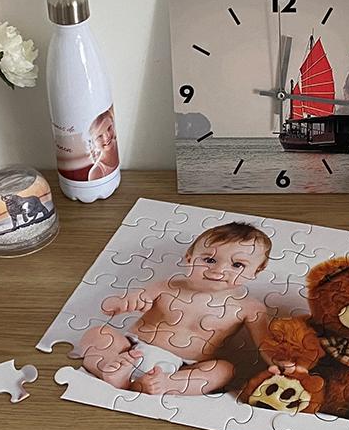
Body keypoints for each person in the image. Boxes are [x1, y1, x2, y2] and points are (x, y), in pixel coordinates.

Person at [81, 222, 272, 396]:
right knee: (98, 334)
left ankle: (163, 385)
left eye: (237, 265)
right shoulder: (167, 285)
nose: (219, 270)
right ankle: (113, 372)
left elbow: (266, 345)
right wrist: (124, 302)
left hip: (183, 368)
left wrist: (281, 365)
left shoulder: (251, 308)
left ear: (257, 270)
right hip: (130, 350)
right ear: (189, 258)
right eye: (209, 260)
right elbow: (108, 307)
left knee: (224, 370)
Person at [88, 109, 119, 180]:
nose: (107, 137)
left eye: (109, 128)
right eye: (100, 136)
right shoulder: (96, 172)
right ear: (93, 142)